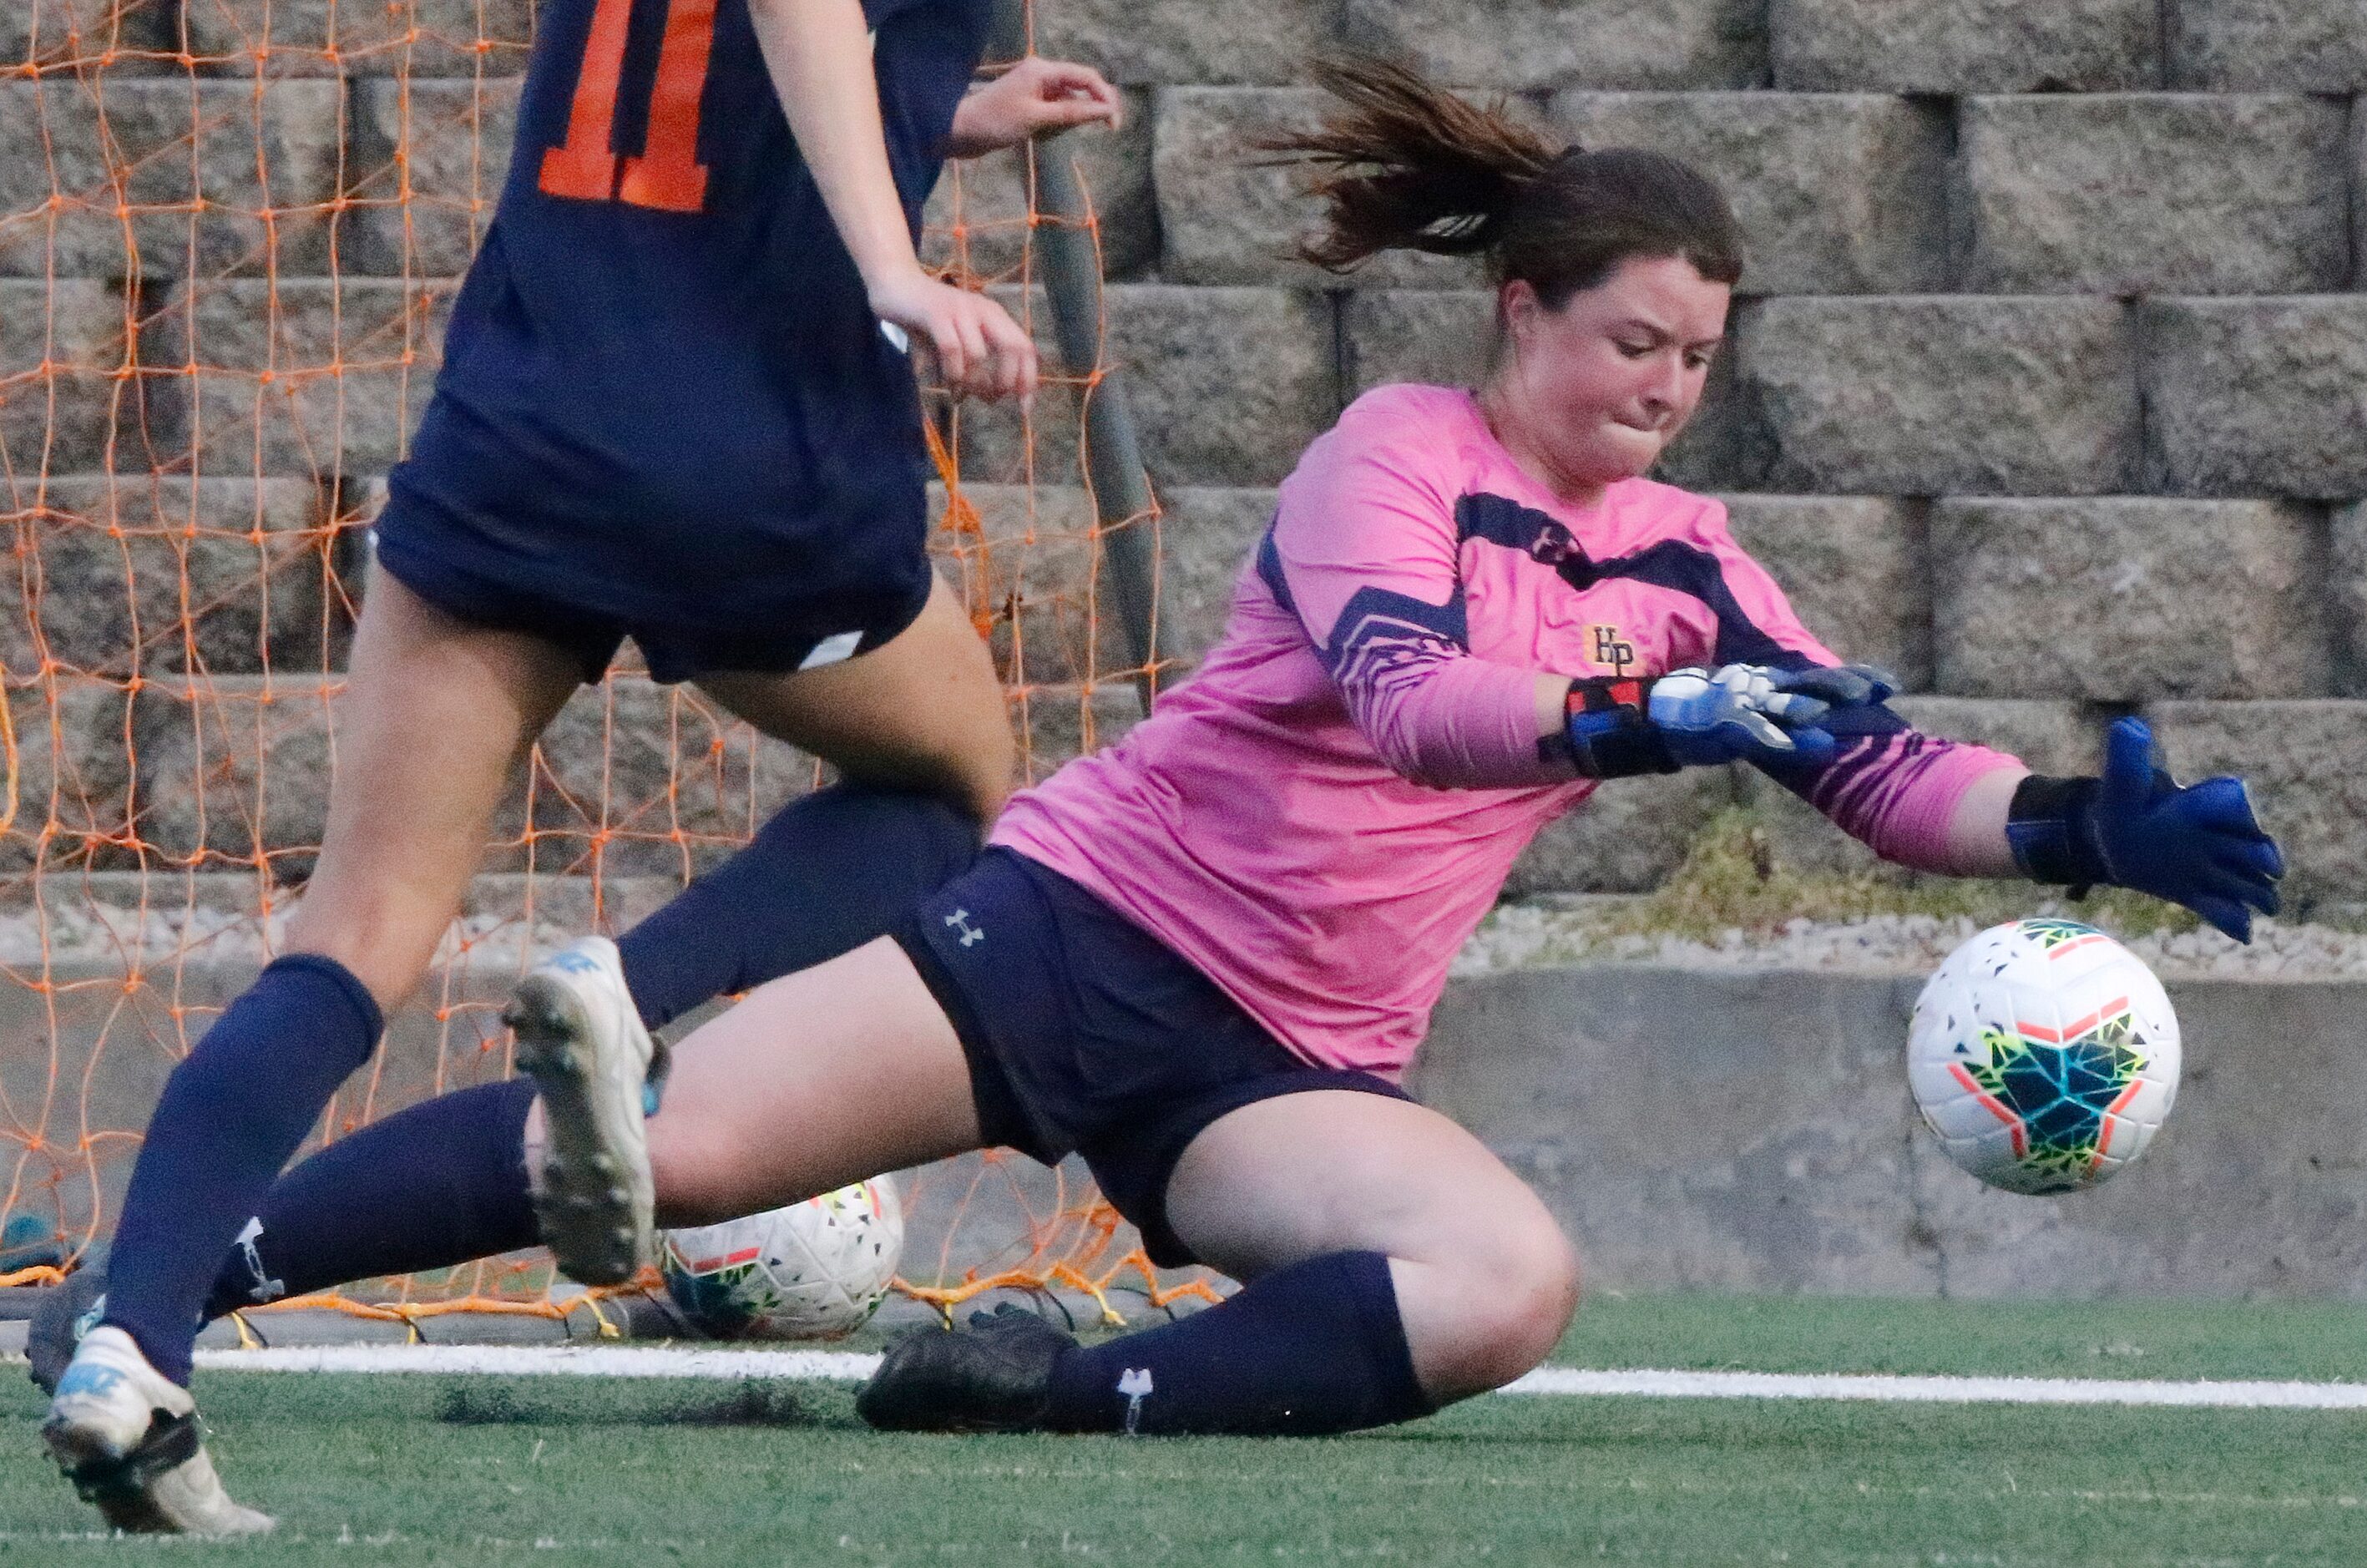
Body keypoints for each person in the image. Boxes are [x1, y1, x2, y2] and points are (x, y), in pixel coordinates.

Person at [40, 55, 2283, 1476]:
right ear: (1518, 312)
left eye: (1695, 359)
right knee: (675, 1153)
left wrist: (2078, 826)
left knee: (1499, 1282)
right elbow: (1418, 703)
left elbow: (1881, 775)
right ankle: (169, 1278)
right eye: (1628, 341)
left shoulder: (1695, 562)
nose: (1662, 390)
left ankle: (1047, 1387)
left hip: (1285, 1056)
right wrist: (1637, 713)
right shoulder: (1382, 460)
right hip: (1077, 930)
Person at [36, 0, 1123, 1535]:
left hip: (523, 421)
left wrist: (946, 105)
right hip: (749, 442)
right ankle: (635, 992)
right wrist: (894, 266)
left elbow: (704, 74)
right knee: (951, 796)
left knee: (351, 934)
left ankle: (131, 1343)